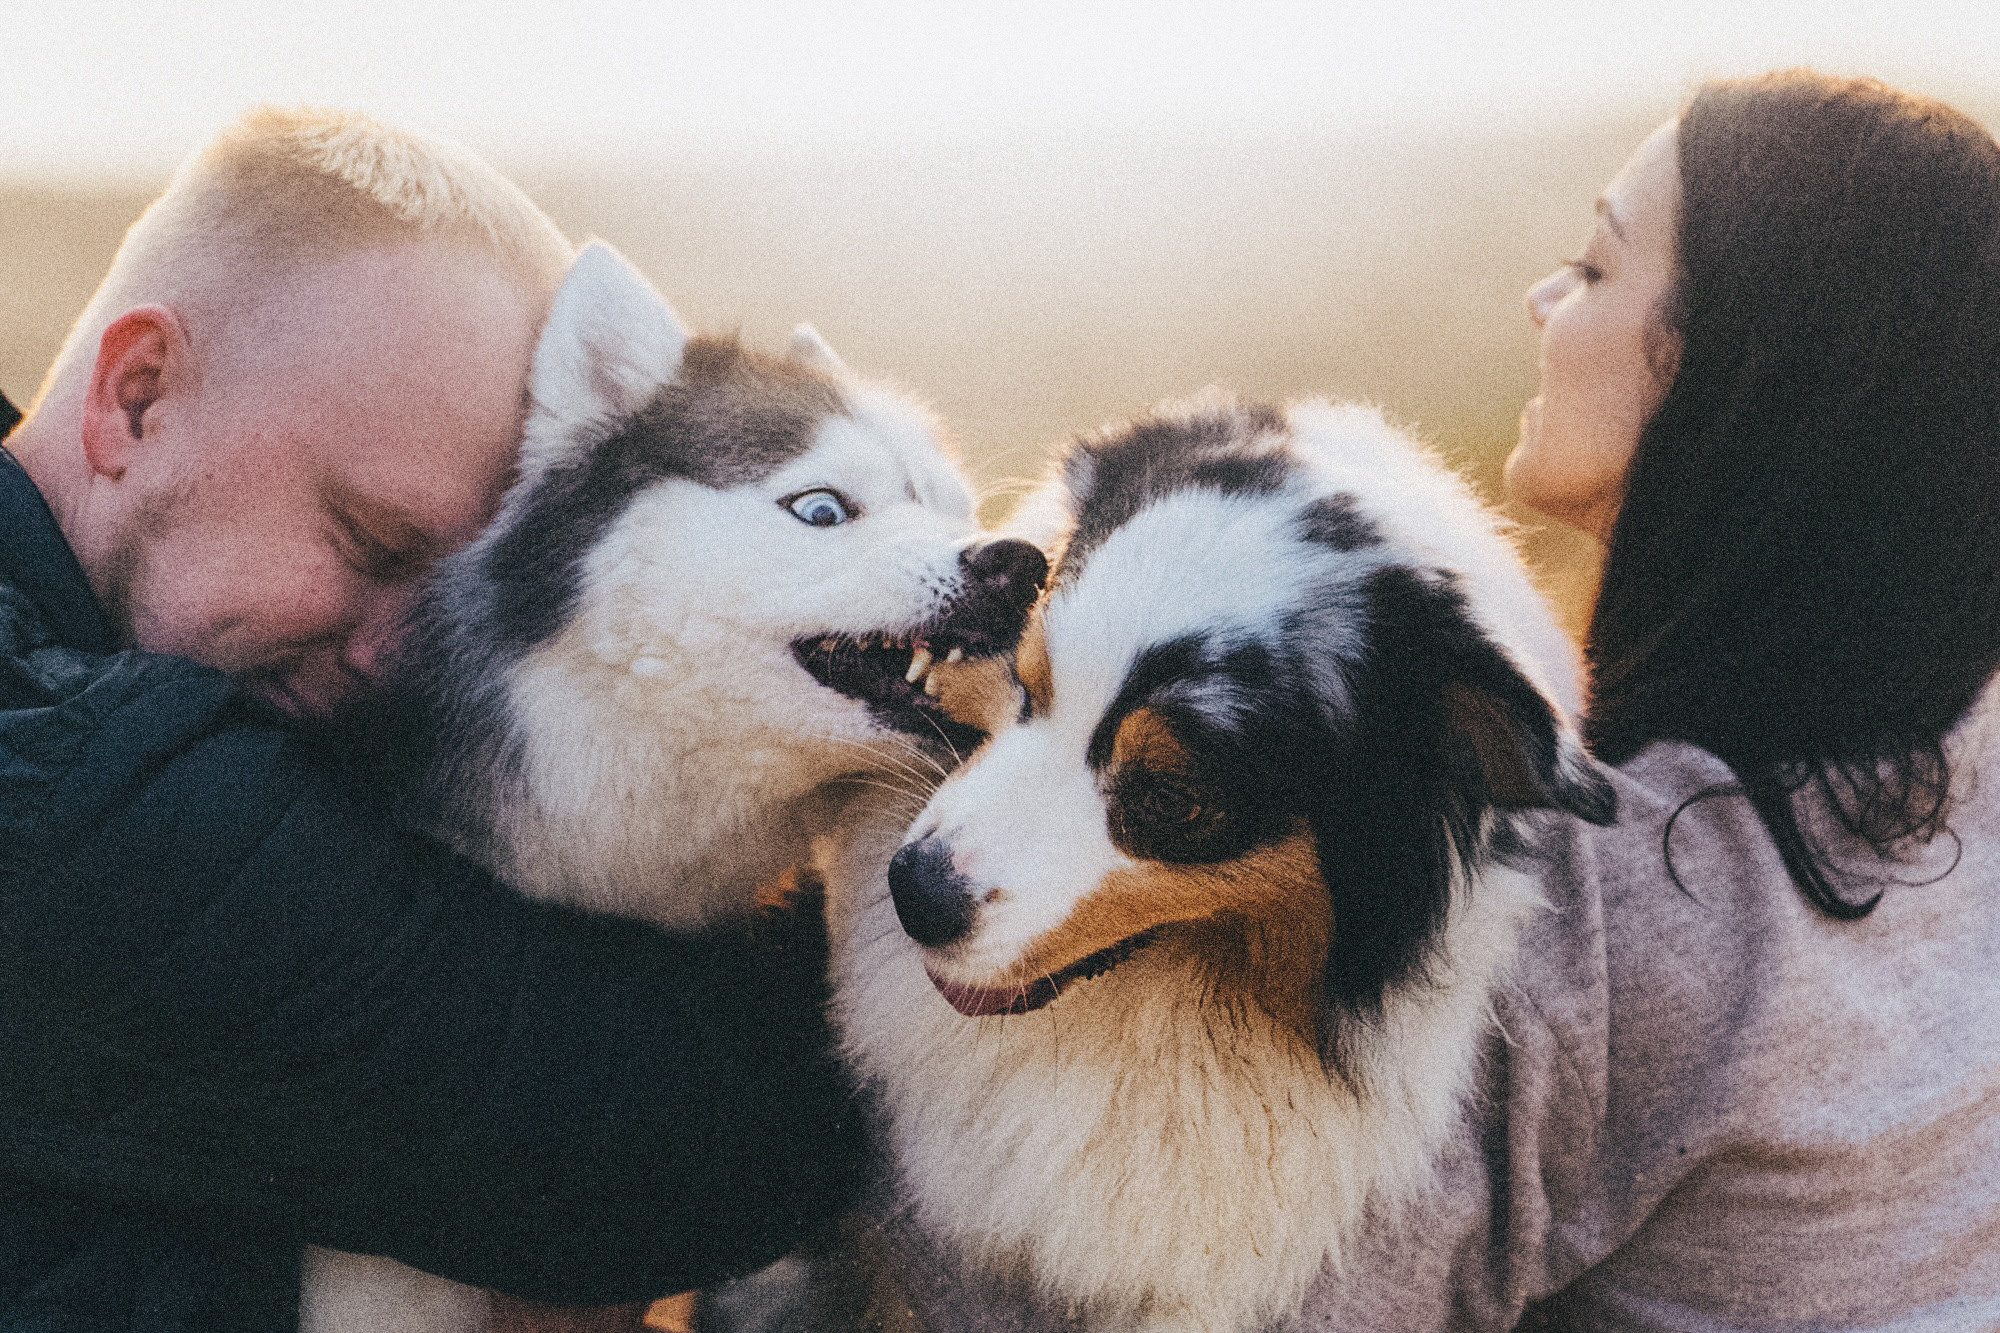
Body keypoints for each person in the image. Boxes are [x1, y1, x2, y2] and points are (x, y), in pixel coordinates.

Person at [0, 107, 862, 1330]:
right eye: (371, 541)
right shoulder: (63, 791)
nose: (400, 662)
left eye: (456, 609)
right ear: (138, 396)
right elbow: (700, 1139)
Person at [1297, 68, 2000, 1329]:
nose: (1541, 298)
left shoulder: (1616, 907)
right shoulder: (1964, 744)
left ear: (1729, 369)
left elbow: (1269, 1299)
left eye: (1592, 268)